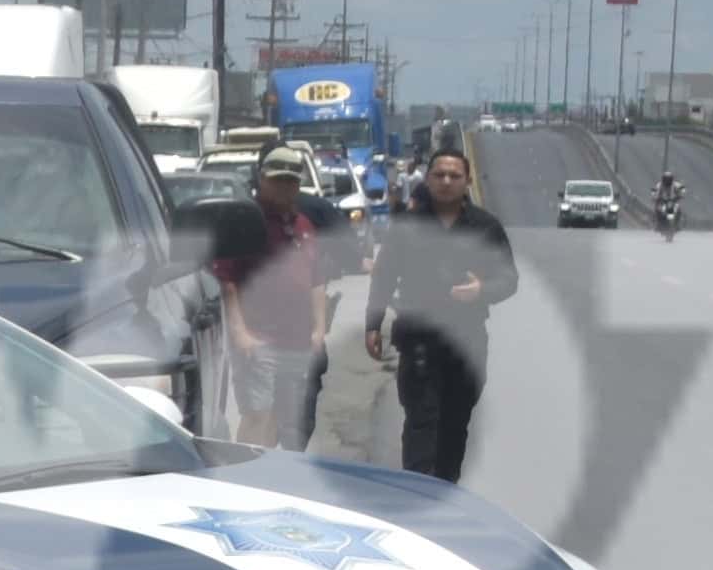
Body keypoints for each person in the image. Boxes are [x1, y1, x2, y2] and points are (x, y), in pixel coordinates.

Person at [360, 143, 521, 482]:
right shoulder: (407, 226)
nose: (446, 181)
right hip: (419, 340)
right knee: (420, 421)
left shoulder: (485, 227)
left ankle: (446, 493)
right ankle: (416, 495)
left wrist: (482, 291)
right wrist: (372, 324)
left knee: (455, 423)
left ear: (467, 180)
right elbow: (384, 275)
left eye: (454, 175)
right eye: (439, 175)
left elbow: (509, 279)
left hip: (467, 342)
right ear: (428, 180)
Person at [195, 141, 343, 452]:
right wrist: (240, 333)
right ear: (262, 179)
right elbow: (228, 280)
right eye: (277, 180)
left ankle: (279, 478)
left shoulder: (303, 225)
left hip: (298, 340)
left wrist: (318, 330)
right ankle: (247, 479)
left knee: (290, 419)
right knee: (257, 414)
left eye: (291, 180)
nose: (284, 187)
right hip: (259, 340)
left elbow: (316, 279)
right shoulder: (244, 221)